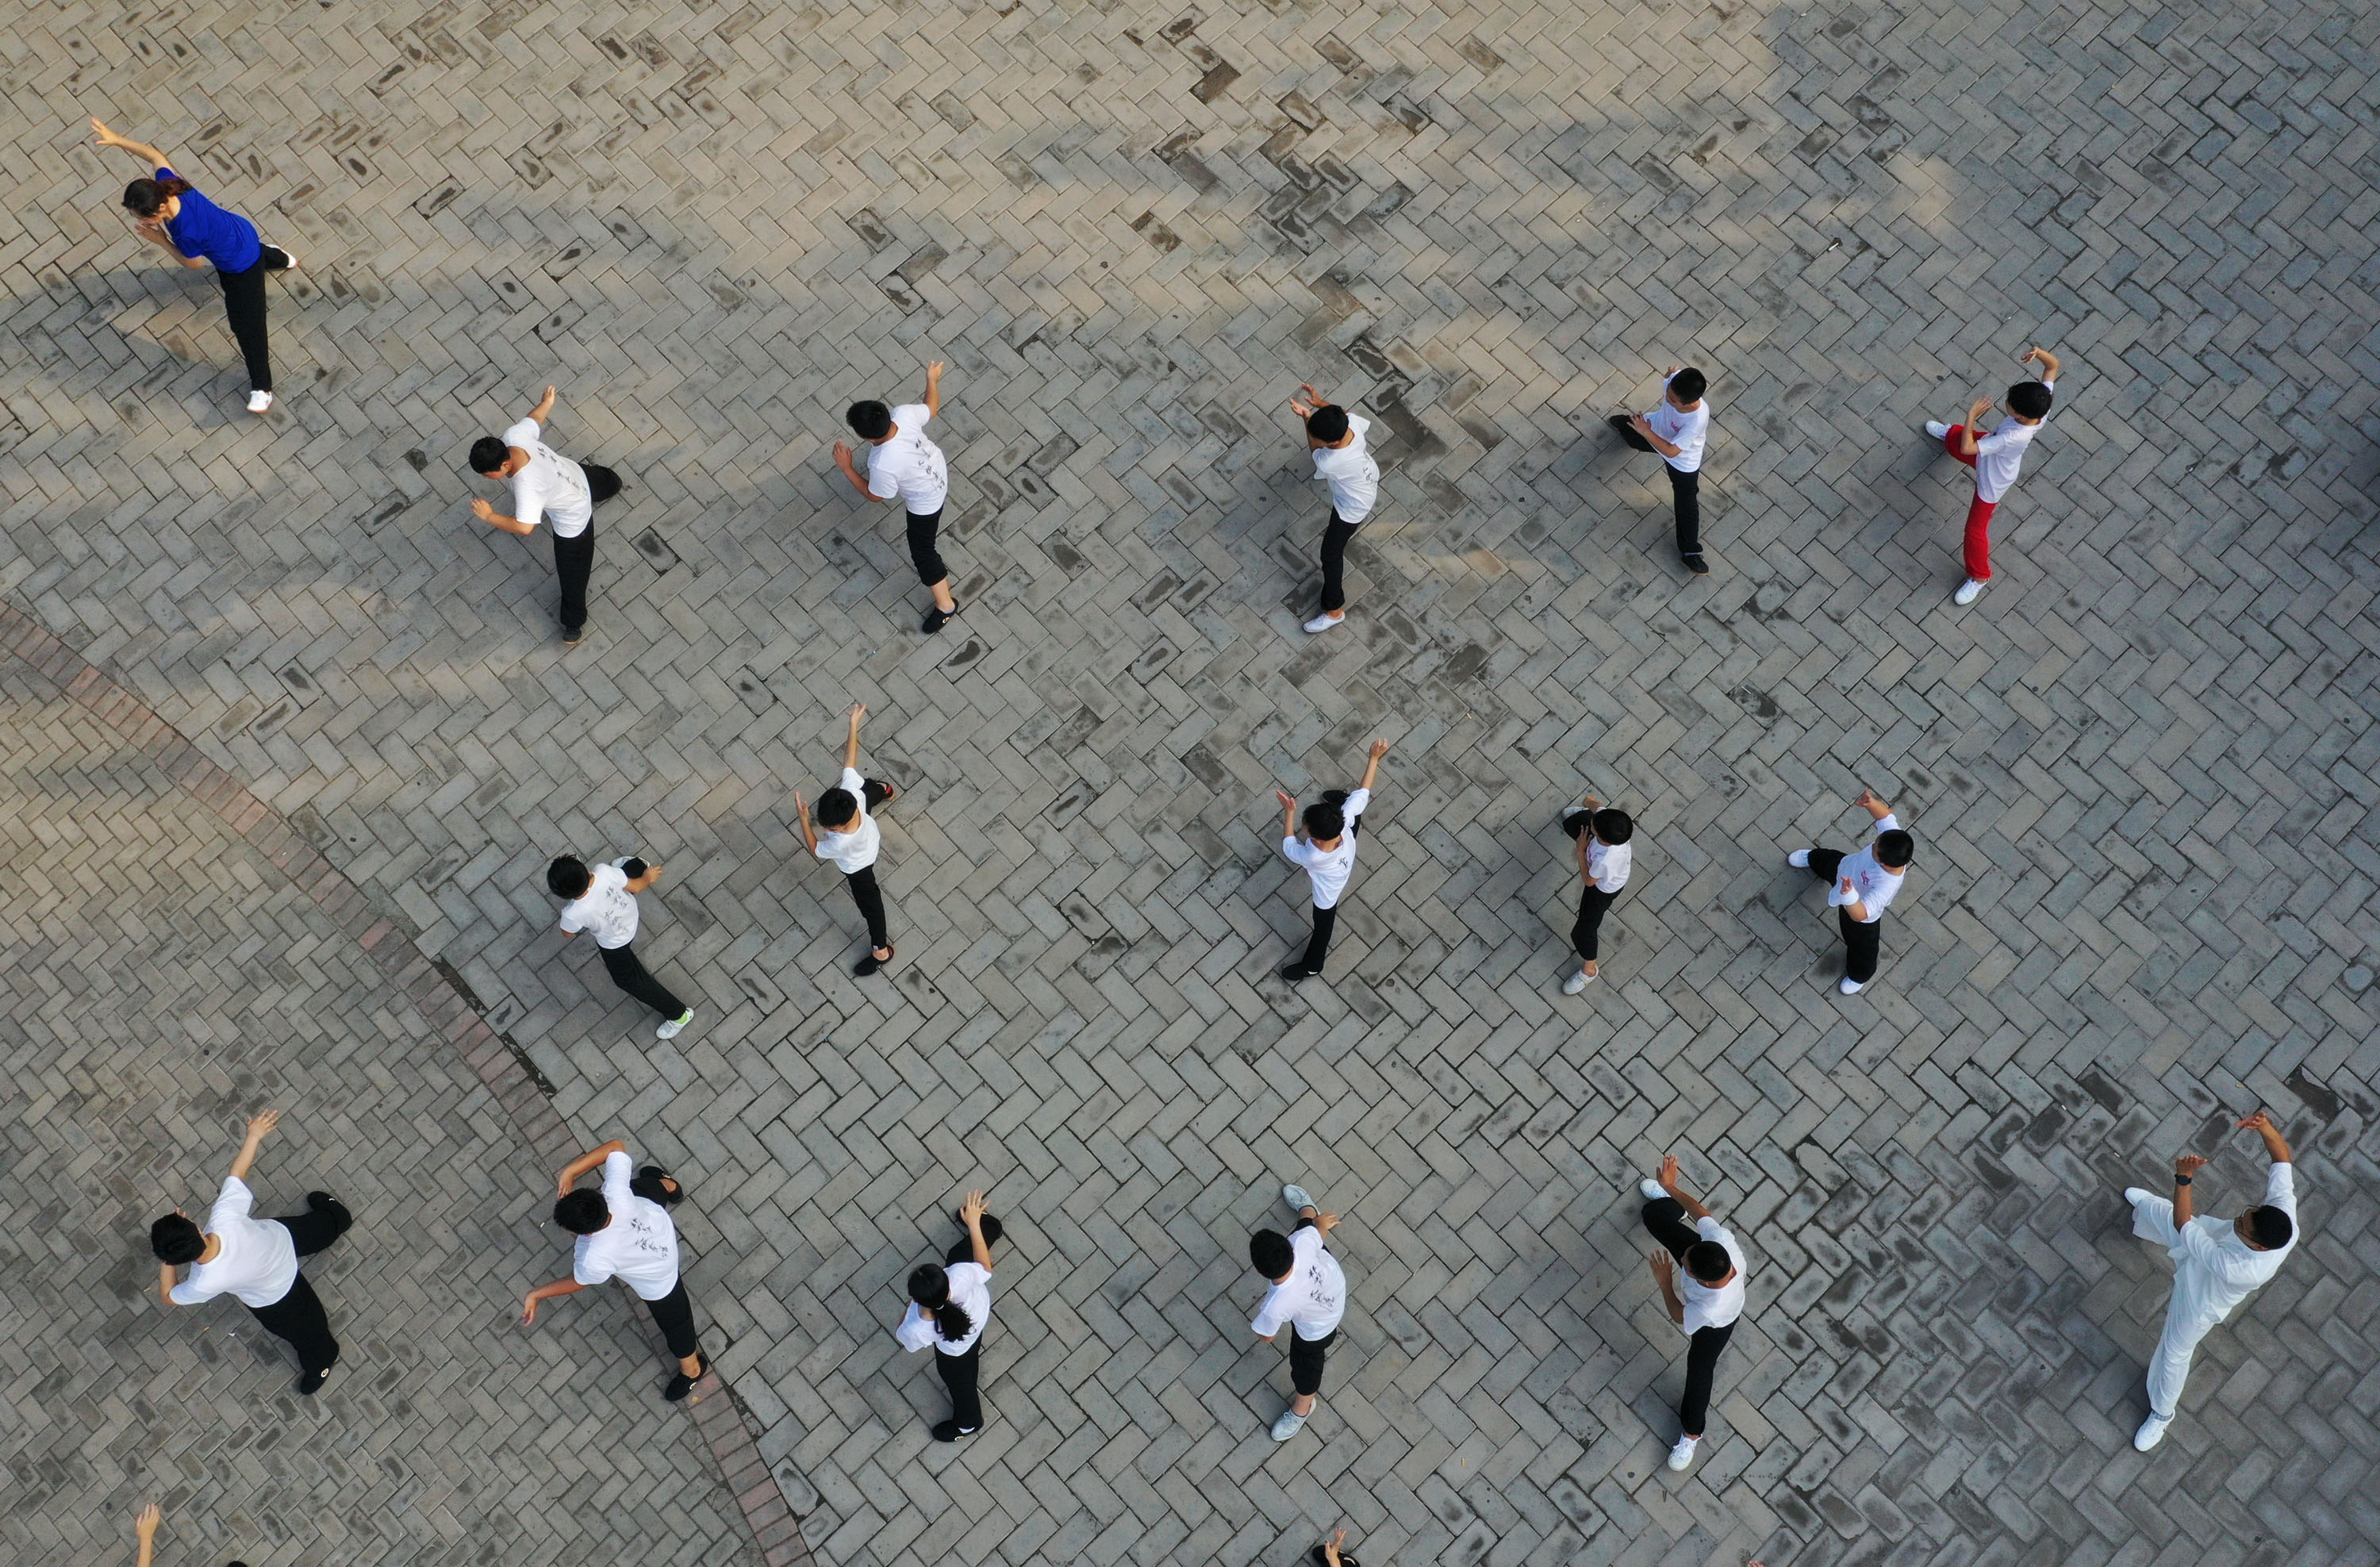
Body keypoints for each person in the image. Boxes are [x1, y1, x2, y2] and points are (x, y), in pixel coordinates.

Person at [91, 119, 298, 414]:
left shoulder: (186, 232)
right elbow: (155, 156)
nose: (139, 221)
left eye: (142, 217)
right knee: (255, 252)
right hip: (241, 231)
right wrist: (117, 139)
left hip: (238, 267)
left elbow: (193, 263)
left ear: (160, 209)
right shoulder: (170, 186)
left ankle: (262, 388)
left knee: (247, 327)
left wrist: (161, 240)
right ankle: (281, 259)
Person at [2125, 1110, 2300, 1452]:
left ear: (2258, 1246)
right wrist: (2265, 1127)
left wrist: (2184, 1179)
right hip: (2207, 1240)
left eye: (2243, 1225)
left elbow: (2183, 1226)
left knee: (2174, 1354)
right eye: (2248, 1213)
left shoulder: (2241, 1269)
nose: (2240, 1217)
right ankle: (2145, 1207)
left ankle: (2162, 1414)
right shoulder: (2283, 1215)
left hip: (2200, 1298)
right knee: (2164, 1214)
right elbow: (2282, 1160)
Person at [150, 1110, 353, 1396]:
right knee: (321, 1227)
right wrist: (254, 1136)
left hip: (277, 1294)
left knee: (309, 1332)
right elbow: (238, 1173)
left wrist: (167, 1260)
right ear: (195, 1227)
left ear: (178, 1260)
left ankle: (322, 1361)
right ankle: (338, 1219)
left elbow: (169, 1296)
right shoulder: (224, 1217)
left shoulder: (204, 1283)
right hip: (281, 1239)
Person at [522, 1138, 710, 1401]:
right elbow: (616, 1147)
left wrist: (536, 1295)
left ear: (584, 1233)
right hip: (657, 1222)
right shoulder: (614, 1194)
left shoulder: (594, 1257)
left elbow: (578, 1281)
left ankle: (692, 1371)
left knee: (677, 1325)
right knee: (642, 1189)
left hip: (660, 1279)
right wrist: (571, 1171)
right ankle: (670, 1186)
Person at [466, 385, 624, 645]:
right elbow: (534, 420)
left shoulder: (527, 487)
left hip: (574, 516)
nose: (486, 478)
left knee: (573, 574)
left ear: (504, 464)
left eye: (487, 474)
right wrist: (547, 403)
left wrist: (489, 516)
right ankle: (613, 482)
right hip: (574, 474)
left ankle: (573, 624)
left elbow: (524, 527)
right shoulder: (513, 437)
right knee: (607, 481)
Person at [1924, 346, 2059, 605]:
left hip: (1993, 478)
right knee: (1957, 440)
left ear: (2020, 416)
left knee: (1975, 531)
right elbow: (2052, 366)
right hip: (1990, 449)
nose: (2005, 402)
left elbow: (1969, 448)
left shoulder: (2013, 436)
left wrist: (1971, 415)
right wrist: (2039, 353)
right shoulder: (2041, 406)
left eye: (2009, 404)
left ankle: (1979, 577)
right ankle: (1949, 433)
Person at [1639, 1153, 1748, 1472]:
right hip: (1705, 1261)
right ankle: (1668, 1205)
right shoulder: (1720, 1245)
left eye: (1683, 1263)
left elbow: (1679, 1316)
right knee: (1654, 1217)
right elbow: (1703, 1214)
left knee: (1700, 1372)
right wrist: (1671, 1187)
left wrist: (1665, 1282)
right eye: (1687, 1253)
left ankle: (1691, 1434)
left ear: (1702, 1280)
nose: (1681, 1256)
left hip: (1717, 1327)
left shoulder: (1711, 1308)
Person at [835, 361, 961, 633]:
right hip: (937, 469)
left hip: (926, 502)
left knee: (923, 552)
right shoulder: (903, 414)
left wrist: (847, 468)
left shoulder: (882, 463)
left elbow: (876, 495)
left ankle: (946, 606)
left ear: (867, 437)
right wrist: (931, 379)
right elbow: (931, 409)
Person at [794, 702, 902, 976]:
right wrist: (853, 725)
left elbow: (816, 850)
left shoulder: (839, 843)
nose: (827, 829)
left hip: (859, 867)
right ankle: (884, 789)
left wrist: (804, 820)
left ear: (840, 825)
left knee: (871, 906)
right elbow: (849, 760)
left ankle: (881, 951)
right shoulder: (851, 794)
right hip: (866, 826)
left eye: (831, 827)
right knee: (867, 792)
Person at [1275, 739, 1391, 981]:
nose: (1302, 828)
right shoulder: (1344, 820)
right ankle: (1340, 800)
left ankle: (1312, 966)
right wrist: (1374, 758)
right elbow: (1364, 791)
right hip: (1344, 845)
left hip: (1328, 893)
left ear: (1316, 839)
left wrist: (1289, 813)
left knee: (1323, 927)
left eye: (1304, 828)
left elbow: (1288, 845)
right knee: (1354, 810)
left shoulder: (1313, 856)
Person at [546, 852, 695, 1039]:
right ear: (586, 870)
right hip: (630, 916)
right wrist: (647, 877)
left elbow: (568, 933)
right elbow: (637, 886)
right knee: (621, 878)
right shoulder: (603, 872)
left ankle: (679, 1015)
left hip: (615, 943)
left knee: (627, 980)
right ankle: (638, 864)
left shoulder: (572, 913)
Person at [895, 1191, 1002, 1440]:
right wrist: (973, 1224)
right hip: (978, 1316)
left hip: (958, 1349)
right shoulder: (959, 1275)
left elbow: (905, 1336)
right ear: (944, 1276)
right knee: (958, 1254)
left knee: (960, 1382)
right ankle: (988, 1227)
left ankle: (968, 1423)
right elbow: (984, 1268)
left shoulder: (917, 1327)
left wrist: (912, 1309)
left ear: (916, 1299)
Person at [1787, 789, 1911, 994]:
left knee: (1862, 946)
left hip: (1855, 907)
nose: (1873, 845)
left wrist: (1849, 895)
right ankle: (1812, 858)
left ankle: (1859, 975)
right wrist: (1872, 804)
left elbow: (1860, 914)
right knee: (1827, 859)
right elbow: (1886, 817)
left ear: (1886, 865)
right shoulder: (1891, 839)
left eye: (1875, 850)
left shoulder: (1886, 886)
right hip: (1845, 867)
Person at [1249, 1182, 1347, 1440]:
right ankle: (1308, 1208)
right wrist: (1321, 1223)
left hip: (1318, 1329)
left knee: (1306, 1367)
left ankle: (1303, 1409)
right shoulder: (1301, 1241)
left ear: (1260, 1271)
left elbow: (1267, 1336)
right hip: (1334, 1286)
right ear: (1286, 1242)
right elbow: (1318, 1230)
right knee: (1308, 1226)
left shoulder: (1276, 1305)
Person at [1286, 383, 1381, 632]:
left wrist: (1307, 418)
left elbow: (1315, 452)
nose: (1317, 441)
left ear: (1333, 443)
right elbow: (1343, 413)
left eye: (1322, 440)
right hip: (1366, 477)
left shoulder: (1330, 462)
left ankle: (1334, 611)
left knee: (1330, 554)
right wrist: (1320, 405)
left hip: (1352, 507)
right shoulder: (1352, 425)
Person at [1607, 366, 1711, 574]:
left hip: (1681, 461)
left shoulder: (1696, 420)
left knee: (1686, 502)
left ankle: (1690, 552)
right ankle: (1625, 424)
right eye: (1668, 394)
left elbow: (1671, 451)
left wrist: (1646, 432)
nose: (1667, 399)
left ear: (1689, 403)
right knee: (1633, 434)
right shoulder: (1675, 384)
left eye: (1673, 400)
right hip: (1652, 429)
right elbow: (1669, 378)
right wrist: (1670, 374)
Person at [1558, 793, 1634, 993]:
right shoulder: (1609, 822)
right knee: (1575, 823)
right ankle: (1580, 817)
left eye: (1594, 824)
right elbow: (1594, 803)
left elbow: (1590, 880)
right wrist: (1589, 805)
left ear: (1603, 839)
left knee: (1585, 929)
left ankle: (1590, 970)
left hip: (1602, 890)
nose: (1594, 820)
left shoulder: (1606, 860)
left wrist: (1580, 851)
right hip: (1597, 847)